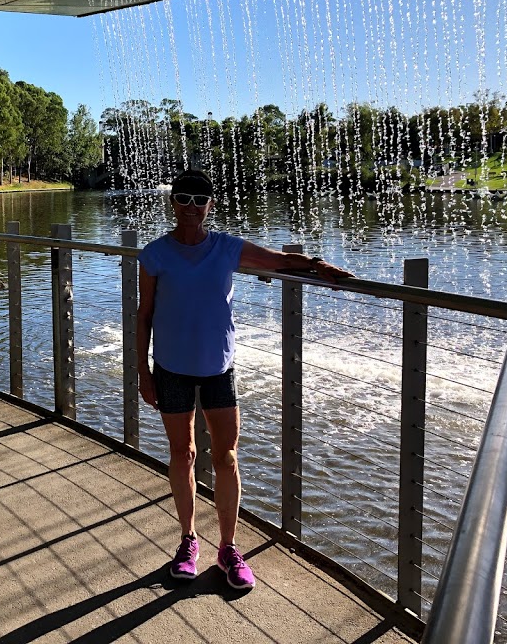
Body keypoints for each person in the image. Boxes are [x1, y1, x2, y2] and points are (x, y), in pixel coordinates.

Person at [136, 169, 352, 591]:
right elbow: (144, 314)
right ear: (173, 203)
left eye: (201, 199)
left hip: (219, 368)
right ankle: (187, 542)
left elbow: (276, 259)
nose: (192, 207)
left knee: (226, 457)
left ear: (210, 204)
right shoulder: (155, 253)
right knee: (182, 454)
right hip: (170, 368)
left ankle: (229, 548)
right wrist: (143, 372)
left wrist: (315, 265)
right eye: (184, 198)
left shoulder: (227, 248)